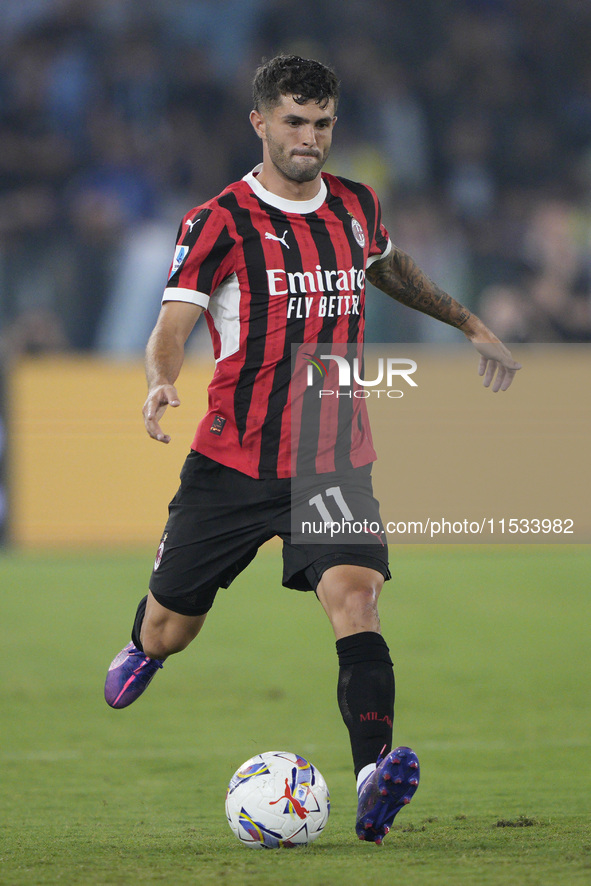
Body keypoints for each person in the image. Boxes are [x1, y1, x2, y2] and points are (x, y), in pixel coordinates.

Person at [104, 55, 521, 844]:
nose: (310, 138)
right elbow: (171, 329)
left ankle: (372, 779)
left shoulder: (357, 206)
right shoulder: (218, 221)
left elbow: (388, 268)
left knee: (355, 598)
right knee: (172, 629)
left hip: (333, 457)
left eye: (323, 123)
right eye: (294, 122)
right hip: (232, 464)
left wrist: (469, 325)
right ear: (259, 123)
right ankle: (142, 646)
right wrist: (162, 382)